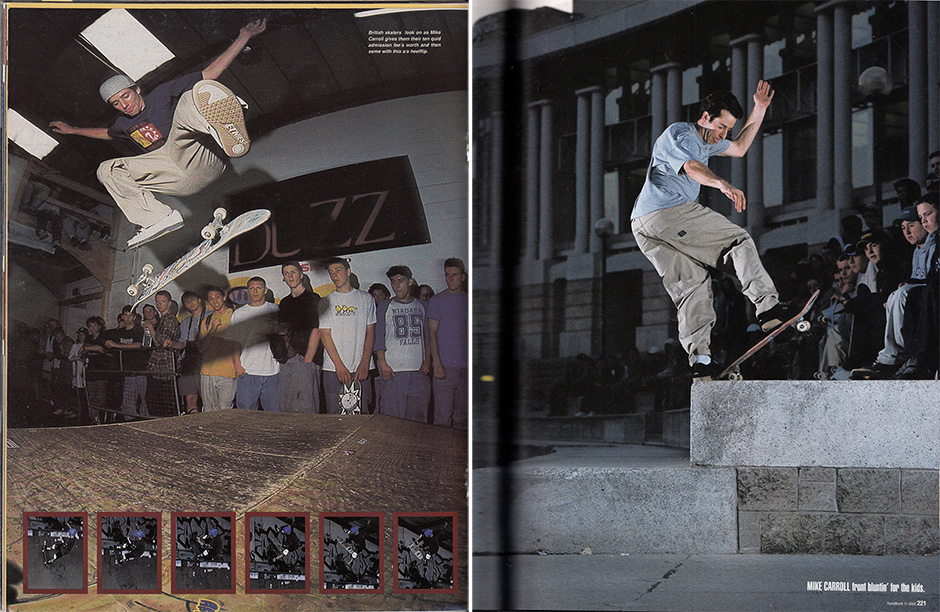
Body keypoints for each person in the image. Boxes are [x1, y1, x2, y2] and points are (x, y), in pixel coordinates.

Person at [49, 19, 266, 248]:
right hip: (173, 178)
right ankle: (157, 219)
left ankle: (227, 121)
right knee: (108, 169)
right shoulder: (122, 124)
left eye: (125, 96)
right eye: (116, 103)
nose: (124, 105)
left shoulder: (161, 94)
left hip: (198, 157)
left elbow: (211, 72)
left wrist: (244, 36)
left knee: (190, 97)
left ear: (137, 89)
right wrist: (73, 130)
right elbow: (107, 133)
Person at [629, 81, 791, 380]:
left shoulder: (710, 139)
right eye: (721, 127)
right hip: (667, 213)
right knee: (737, 241)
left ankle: (701, 361)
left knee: (692, 285)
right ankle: (768, 308)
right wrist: (722, 184)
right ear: (705, 117)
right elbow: (691, 166)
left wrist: (759, 109)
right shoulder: (681, 134)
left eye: (728, 128)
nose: (723, 135)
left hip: (646, 228)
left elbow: (739, 148)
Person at [851, 206, 936, 379]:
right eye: (904, 228)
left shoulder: (930, 246)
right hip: (920, 296)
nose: (907, 232)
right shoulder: (916, 250)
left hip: (929, 296)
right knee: (893, 296)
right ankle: (881, 359)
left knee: (900, 294)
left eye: (911, 226)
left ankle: (897, 357)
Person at [375, 265, 432, 422]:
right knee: (392, 421)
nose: (397, 285)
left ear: (410, 281)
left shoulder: (422, 305)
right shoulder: (385, 306)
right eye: (393, 282)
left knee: (418, 421)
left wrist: (427, 361)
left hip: (418, 371)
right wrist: (382, 364)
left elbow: (428, 337)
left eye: (400, 281)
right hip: (393, 371)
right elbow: (379, 337)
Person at [319, 258, 376, 414]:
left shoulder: (366, 299)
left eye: (338, 270)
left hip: (360, 369)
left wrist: (365, 362)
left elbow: (370, 332)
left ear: (348, 271)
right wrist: (339, 366)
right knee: (335, 415)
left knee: (362, 415)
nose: (334, 275)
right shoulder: (325, 302)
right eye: (331, 272)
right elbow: (325, 335)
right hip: (333, 369)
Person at [428, 258, 468, 429]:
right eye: (447, 275)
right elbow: (432, 332)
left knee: (463, 418)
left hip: (466, 369)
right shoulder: (437, 300)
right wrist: (437, 363)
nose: (450, 279)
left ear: (463, 277)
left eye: (454, 275)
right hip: (444, 368)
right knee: (442, 418)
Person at [277, 262, 323, 413]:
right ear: (283, 278)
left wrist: (308, 359)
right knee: (286, 406)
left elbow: (316, 330)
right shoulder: (284, 303)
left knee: (305, 407)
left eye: (293, 272)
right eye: (286, 273)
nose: (290, 276)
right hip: (288, 360)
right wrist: (285, 354)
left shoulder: (313, 298)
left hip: (306, 359)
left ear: (301, 275)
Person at [230, 277, 280, 411]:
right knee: (246, 415)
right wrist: (237, 365)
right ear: (247, 291)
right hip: (247, 371)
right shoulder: (239, 313)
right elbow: (234, 342)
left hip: (272, 372)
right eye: (251, 288)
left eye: (259, 288)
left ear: (265, 290)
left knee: (274, 415)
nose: (255, 291)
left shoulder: (275, 310)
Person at [198, 287, 238, 411]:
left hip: (228, 371)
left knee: (225, 409)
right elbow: (202, 348)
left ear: (224, 297)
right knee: (208, 410)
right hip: (207, 371)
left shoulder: (235, 315)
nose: (214, 301)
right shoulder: (207, 321)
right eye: (211, 298)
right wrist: (213, 329)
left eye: (217, 297)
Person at [104, 306, 147, 418]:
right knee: (128, 400)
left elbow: (137, 345)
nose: (128, 318)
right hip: (127, 370)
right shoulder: (119, 332)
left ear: (134, 317)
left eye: (130, 316)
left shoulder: (138, 330)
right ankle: (129, 421)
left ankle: (146, 421)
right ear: (122, 317)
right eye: (126, 315)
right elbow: (106, 342)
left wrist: (116, 345)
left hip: (140, 369)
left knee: (144, 398)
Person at [145, 292, 181, 416]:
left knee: (164, 404)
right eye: (157, 302)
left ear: (169, 303)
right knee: (157, 402)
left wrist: (150, 328)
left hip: (165, 367)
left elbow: (162, 342)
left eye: (163, 301)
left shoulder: (170, 320)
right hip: (159, 366)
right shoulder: (163, 319)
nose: (159, 304)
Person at [172, 291, 207, 414]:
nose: (190, 303)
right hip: (188, 363)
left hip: (205, 363)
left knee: (208, 399)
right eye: (187, 302)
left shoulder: (210, 316)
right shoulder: (186, 322)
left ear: (199, 300)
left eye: (192, 300)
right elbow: (182, 344)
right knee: (190, 398)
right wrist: (170, 344)